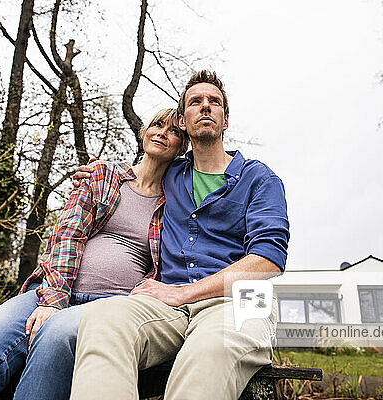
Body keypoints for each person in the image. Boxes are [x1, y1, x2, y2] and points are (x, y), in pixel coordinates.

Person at [0, 108, 189, 400]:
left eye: (174, 132)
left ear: (182, 146)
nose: (162, 133)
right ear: (144, 132)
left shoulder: (175, 205)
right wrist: (54, 300)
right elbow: (68, 234)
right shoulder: (103, 176)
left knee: (54, 337)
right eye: (157, 125)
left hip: (109, 307)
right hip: (49, 291)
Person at [69, 70, 290, 400]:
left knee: (210, 351)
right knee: (103, 320)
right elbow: (134, 178)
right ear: (184, 122)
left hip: (240, 300)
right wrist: (99, 173)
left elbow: (268, 261)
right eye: (195, 101)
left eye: (214, 102)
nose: (205, 106)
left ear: (225, 120)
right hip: (168, 303)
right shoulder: (171, 175)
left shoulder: (259, 178)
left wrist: (187, 293)